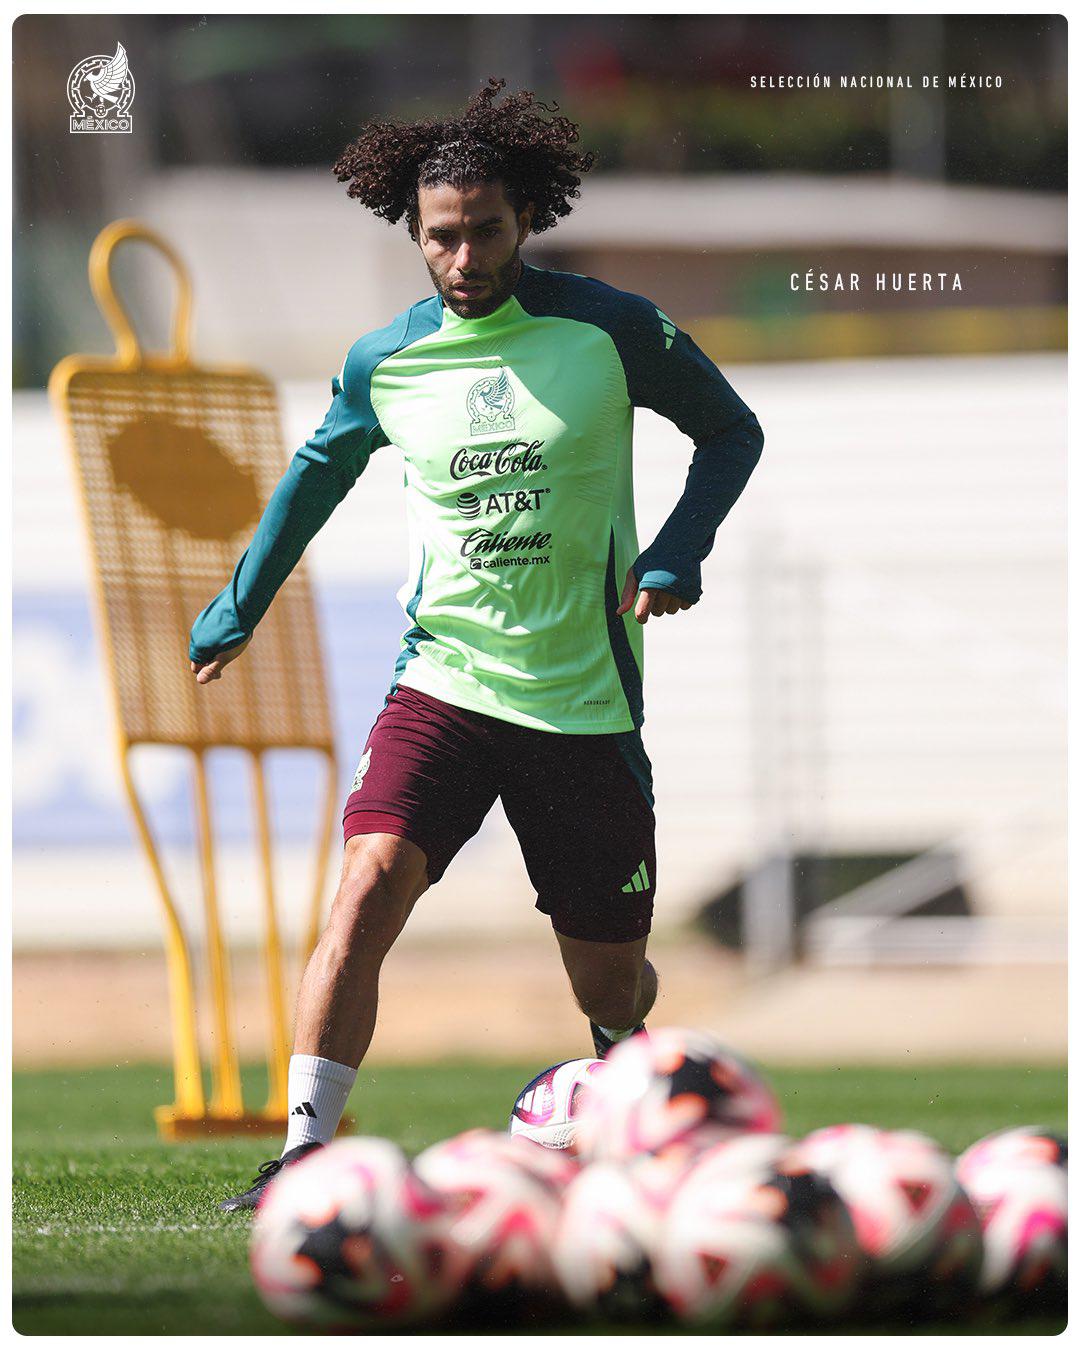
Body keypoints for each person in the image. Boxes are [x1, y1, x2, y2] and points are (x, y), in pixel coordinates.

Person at [189, 79, 764, 1212]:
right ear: (414, 232)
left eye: (484, 231)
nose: (463, 257)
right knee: (363, 889)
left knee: (607, 975)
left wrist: (674, 554)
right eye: (441, 237)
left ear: (525, 220)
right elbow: (314, 477)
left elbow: (729, 429)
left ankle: (628, 1071)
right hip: (442, 682)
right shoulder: (385, 363)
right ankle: (304, 1153)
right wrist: (238, 606)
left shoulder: (609, 329)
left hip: (583, 703)